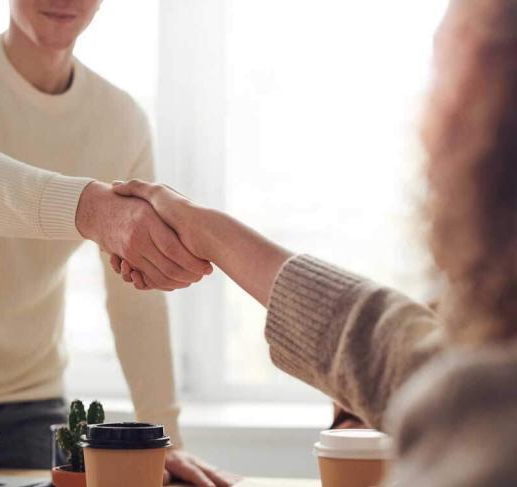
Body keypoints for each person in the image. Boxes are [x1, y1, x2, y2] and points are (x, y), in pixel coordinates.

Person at [110, 0, 517, 484]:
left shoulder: (486, 421)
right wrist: (213, 233)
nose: (425, 130)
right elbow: (401, 352)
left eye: (446, 83)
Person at [0, 1, 235, 484]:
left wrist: (165, 439)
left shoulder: (119, 120)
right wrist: (91, 209)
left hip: (28, 407)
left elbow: (134, 298)